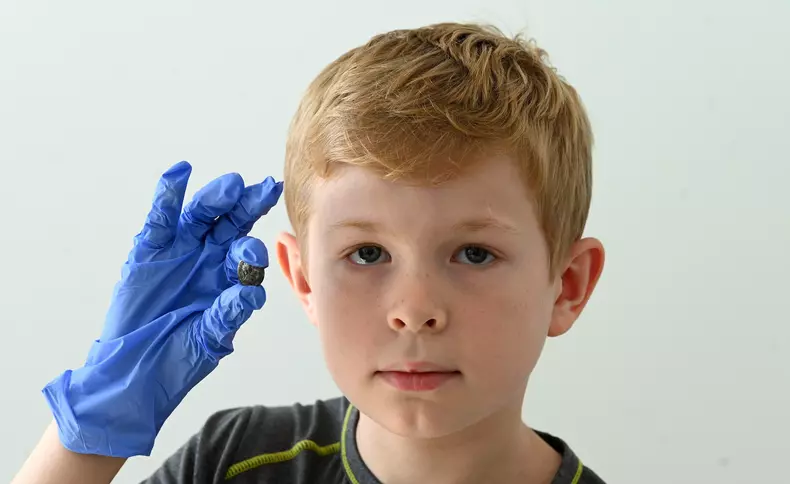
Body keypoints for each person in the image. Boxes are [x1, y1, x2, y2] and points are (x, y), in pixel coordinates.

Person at [12, 21, 607, 484]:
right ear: (302, 279)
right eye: (368, 253)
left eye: (474, 254)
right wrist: (88, 435)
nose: (415, 309)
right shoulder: (236, 461)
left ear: (569, 285)